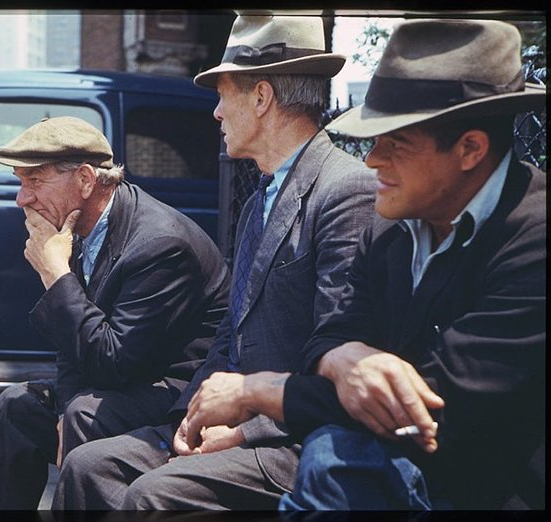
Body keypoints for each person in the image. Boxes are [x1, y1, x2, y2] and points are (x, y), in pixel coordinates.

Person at [181, 18, 546, 510]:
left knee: (334, 462)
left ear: (470, 149)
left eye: (395, 143)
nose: (372, 160)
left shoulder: (534, 239)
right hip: (400, 471)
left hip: (496, 492)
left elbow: (433, 403)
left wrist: (258, 390)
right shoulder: (393, 224)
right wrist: (343, 356)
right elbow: (328, 334)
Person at [52, 14, 376, 510]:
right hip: (238, 423)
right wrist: (192, 417)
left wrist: (245, 430)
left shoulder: (344, 190)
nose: (217, 113)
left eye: (224, 95)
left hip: (297, 440)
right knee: (87, 466)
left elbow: (338, 352)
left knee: (151, 494)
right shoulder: (259, 201)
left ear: (262, 97)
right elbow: (231, 336)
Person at [0, 116, 230, 510]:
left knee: (87, 412)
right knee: (16, 407)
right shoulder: (78, 225)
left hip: (176, 393)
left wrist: (55, 274)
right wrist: (63, 410)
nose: (22, 199)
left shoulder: (159, 243)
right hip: (122, 378)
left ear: (85, 180)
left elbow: (113, 364)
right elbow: (72, 347)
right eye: (20, 182)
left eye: (35, 181)